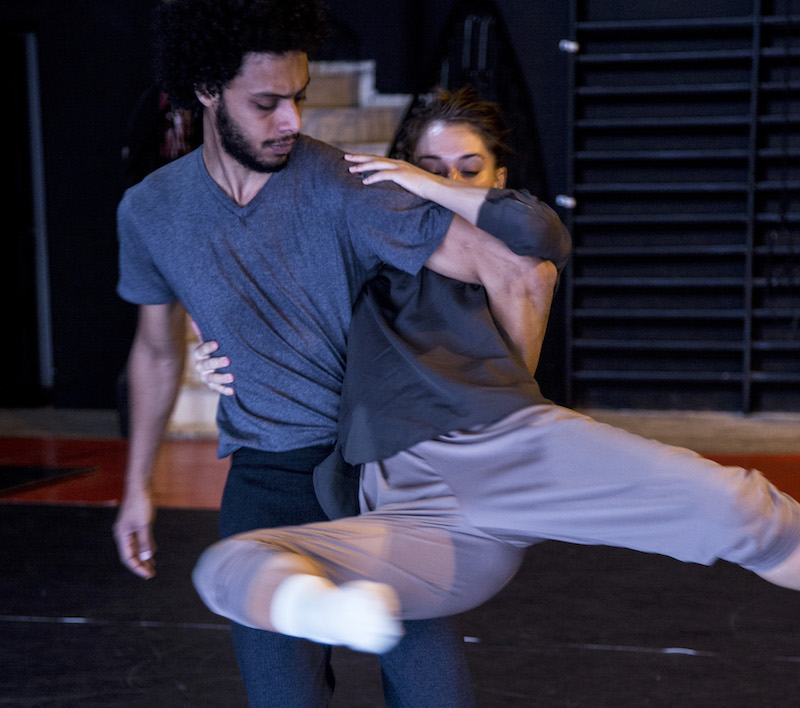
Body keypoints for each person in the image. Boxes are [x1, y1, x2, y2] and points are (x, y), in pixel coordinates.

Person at [190, 86, 800, 658]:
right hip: (409, 504)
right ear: (396, 170)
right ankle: (330, 615)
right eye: (429, 163)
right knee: (233, 564)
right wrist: (219, 360)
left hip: (493, 442)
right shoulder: (371, 254)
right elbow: (286, 320)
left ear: (498, 178)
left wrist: (429, 186)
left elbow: (539, 231)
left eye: (467, 168)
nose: (445, 177)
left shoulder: (510, 255)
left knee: (742, 511)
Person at [113, 1, 560, 705]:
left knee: (434, 695)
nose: (292, 121)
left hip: (382, 475)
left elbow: (522, 272)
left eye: (299, 98)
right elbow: (155, 352)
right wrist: (137, 484)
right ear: (205, 89)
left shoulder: (343, 185)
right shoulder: (150, 211)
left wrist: (498, 432)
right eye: (267, 103)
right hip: (265, 483)